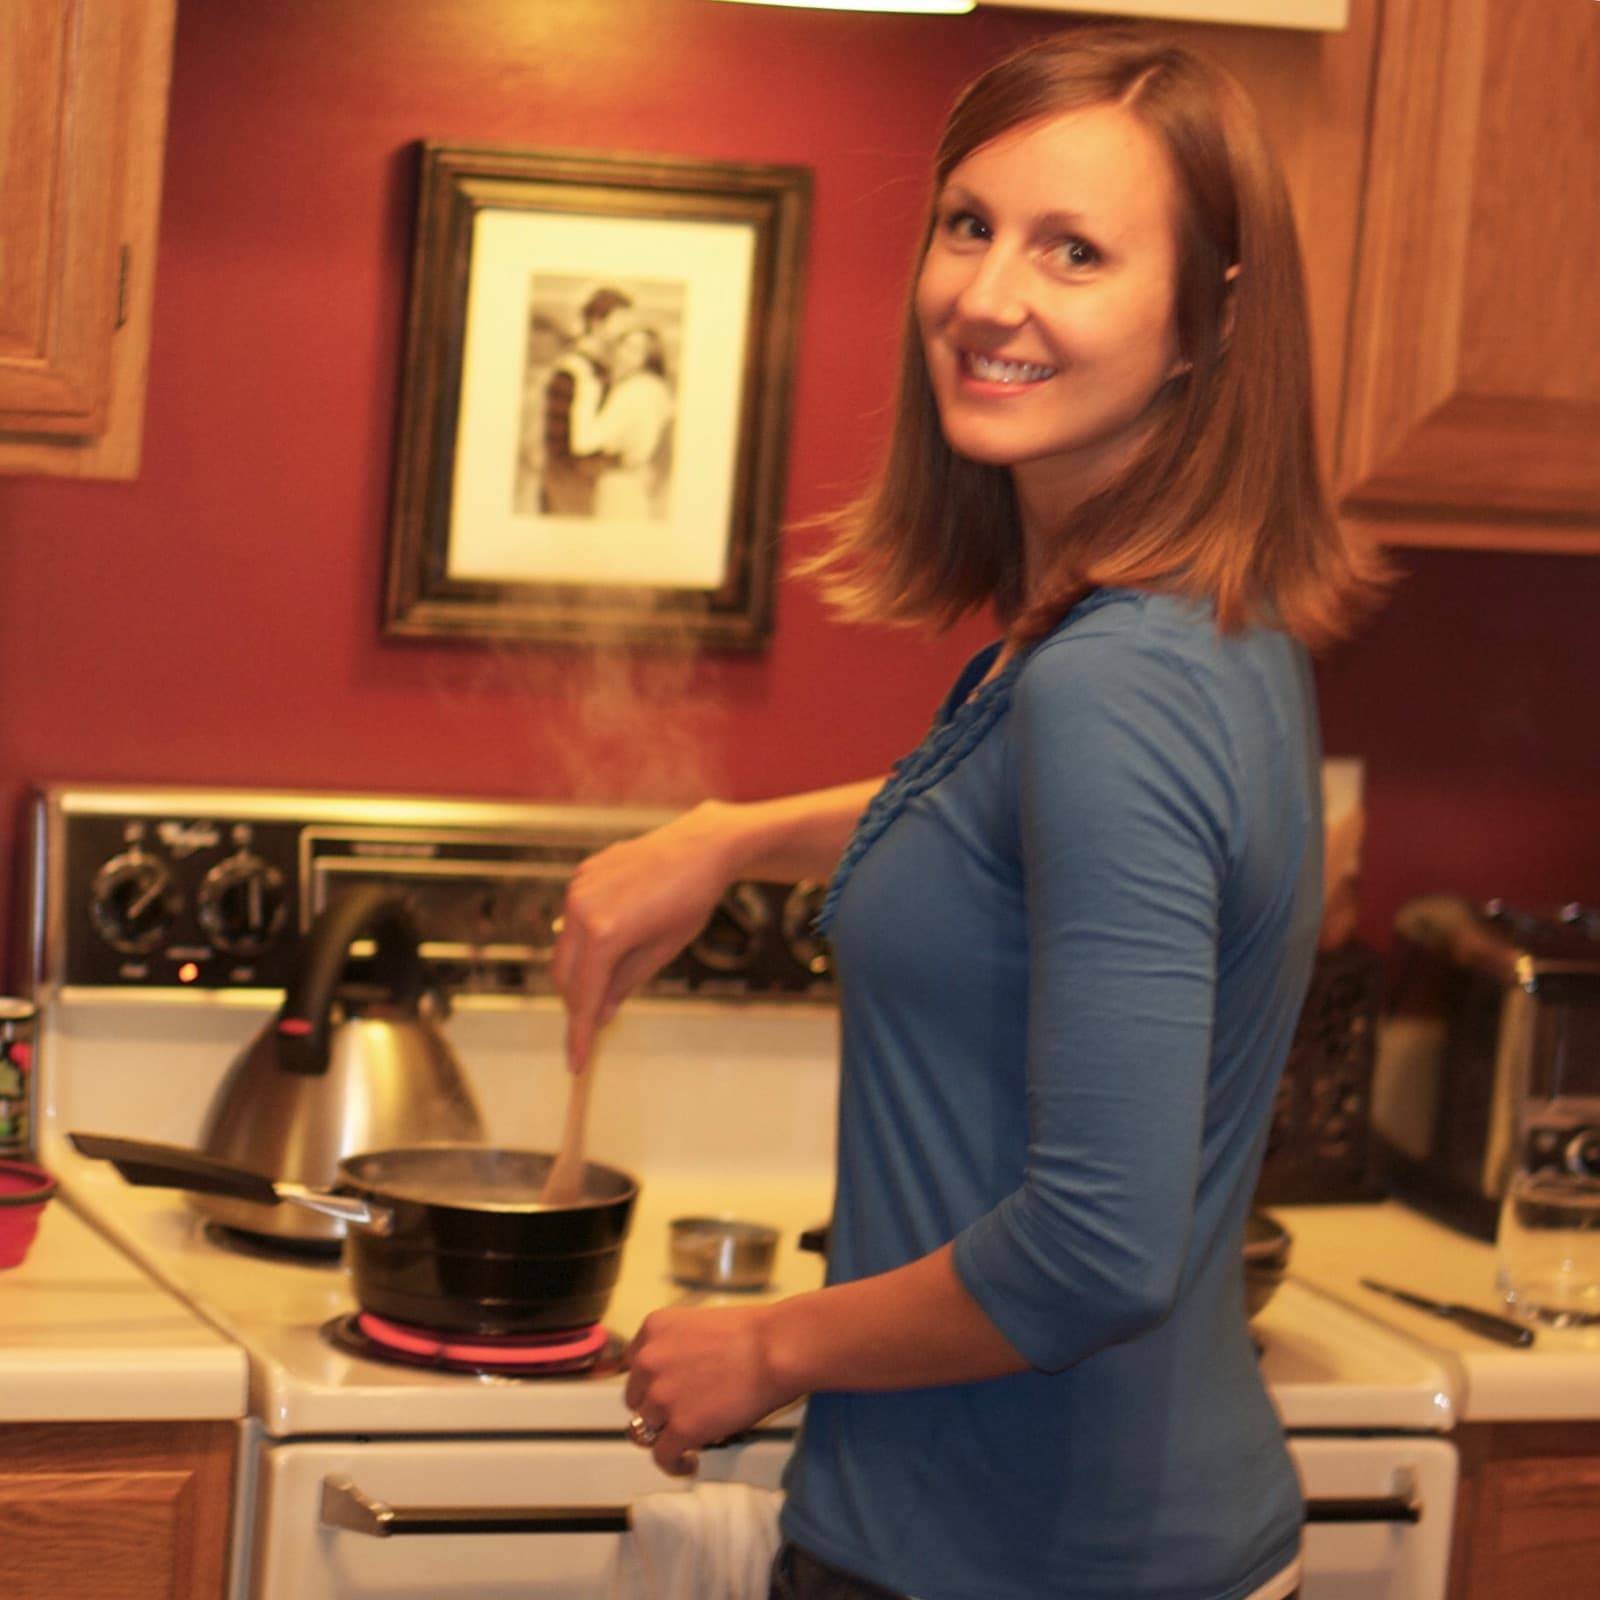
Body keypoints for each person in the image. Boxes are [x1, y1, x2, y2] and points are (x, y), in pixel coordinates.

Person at [552, 25, 1387, 1600]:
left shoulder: (1110, 682)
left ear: (1208, 320)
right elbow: (1023, 828)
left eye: (1076, 251)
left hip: (1012, 1557)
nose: (991, 296)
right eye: (970, 224)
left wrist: (767, 1345)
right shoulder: (1181, 627)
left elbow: (1095, 1249)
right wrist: (730, 834)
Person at [565, 324, 676, 520]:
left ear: (650, 357)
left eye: (633, 349)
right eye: (622, 346)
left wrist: (585, 386)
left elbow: (583, 442)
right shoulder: (660, 390)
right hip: (644, 487)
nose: (622, 354)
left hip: (620, 485)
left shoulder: (631, 391)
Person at [540, 286, 633, 516]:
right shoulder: (576, 370)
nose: (625, 332)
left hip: (584, 477)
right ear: (597, 323)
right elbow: (566, 442)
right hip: (568, 481)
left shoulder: (598, 368)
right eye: (619, 322)